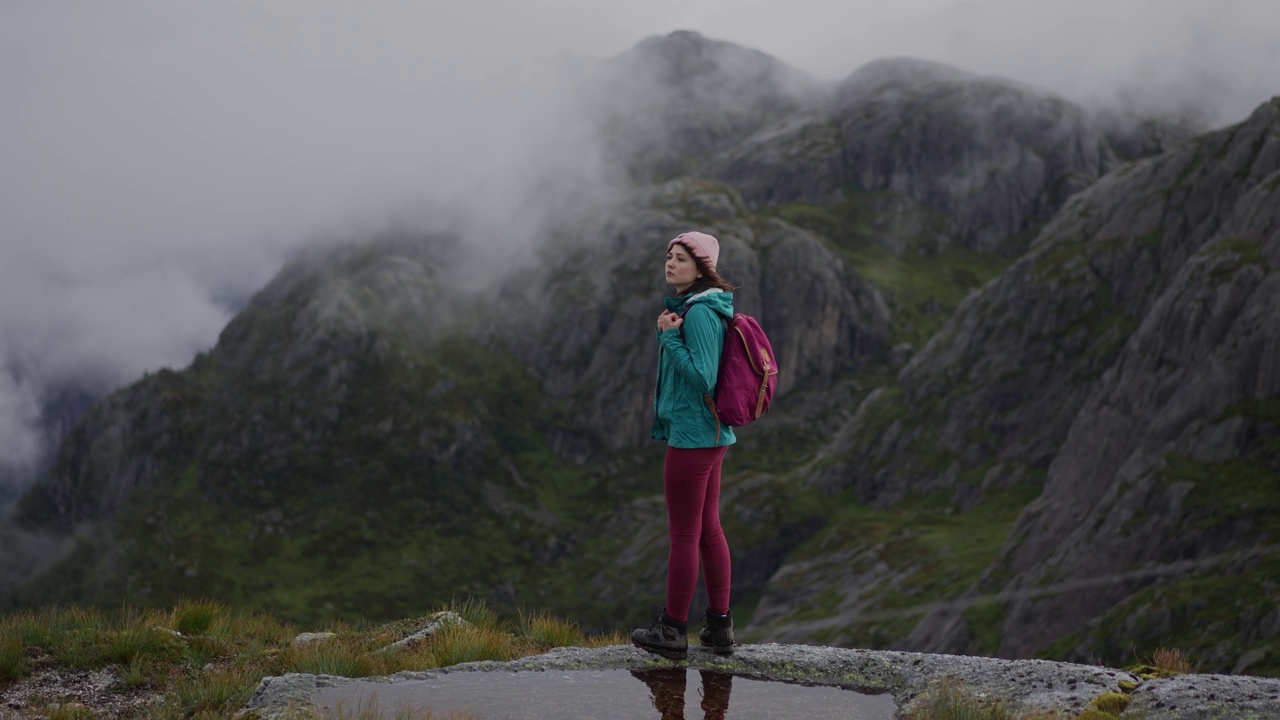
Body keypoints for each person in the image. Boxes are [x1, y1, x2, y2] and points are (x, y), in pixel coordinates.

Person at [631, 231, 737, 660]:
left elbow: (703, 380)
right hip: (707, 436)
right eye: (669, 256)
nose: (670, 264)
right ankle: (719, 629)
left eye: (680, 258)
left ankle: (673, 629)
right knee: (708, 530)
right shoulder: (700, 308)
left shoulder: (700, 314)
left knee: (684, 535)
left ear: (702, 268)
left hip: (694, 438)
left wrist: (669, 337)